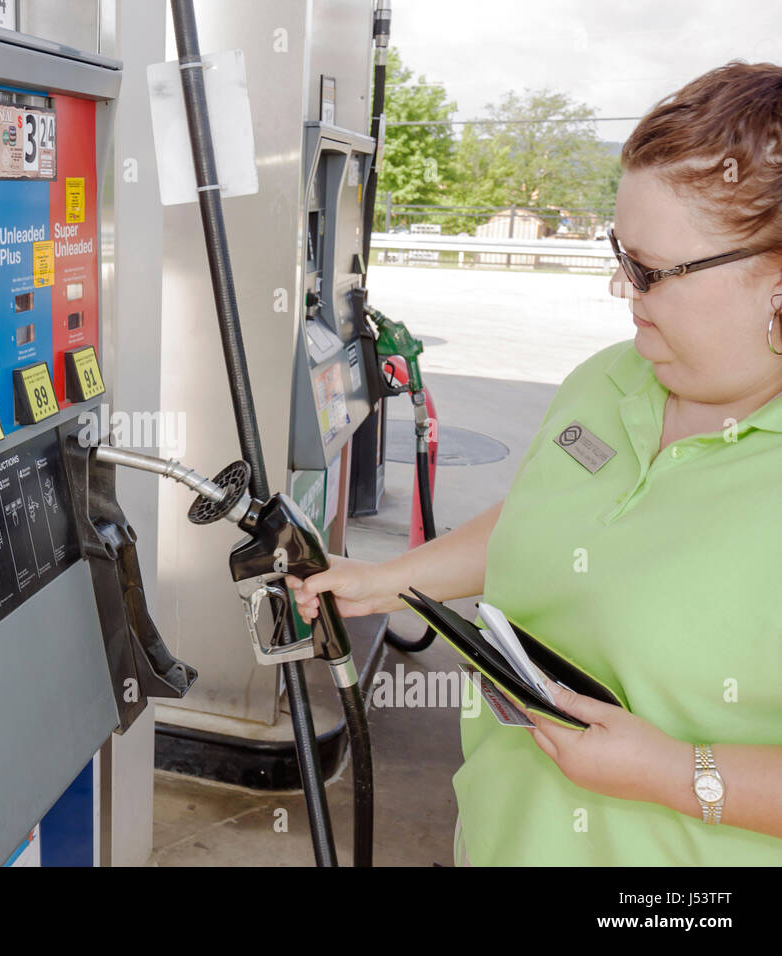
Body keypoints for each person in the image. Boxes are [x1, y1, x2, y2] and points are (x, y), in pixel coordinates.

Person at [286, 61, 782, 865]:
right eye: (622, 254)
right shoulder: (609, 378)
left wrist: (676, 775)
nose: (624, 291)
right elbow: (540, 521)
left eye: (652, 271)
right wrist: (388, 579)